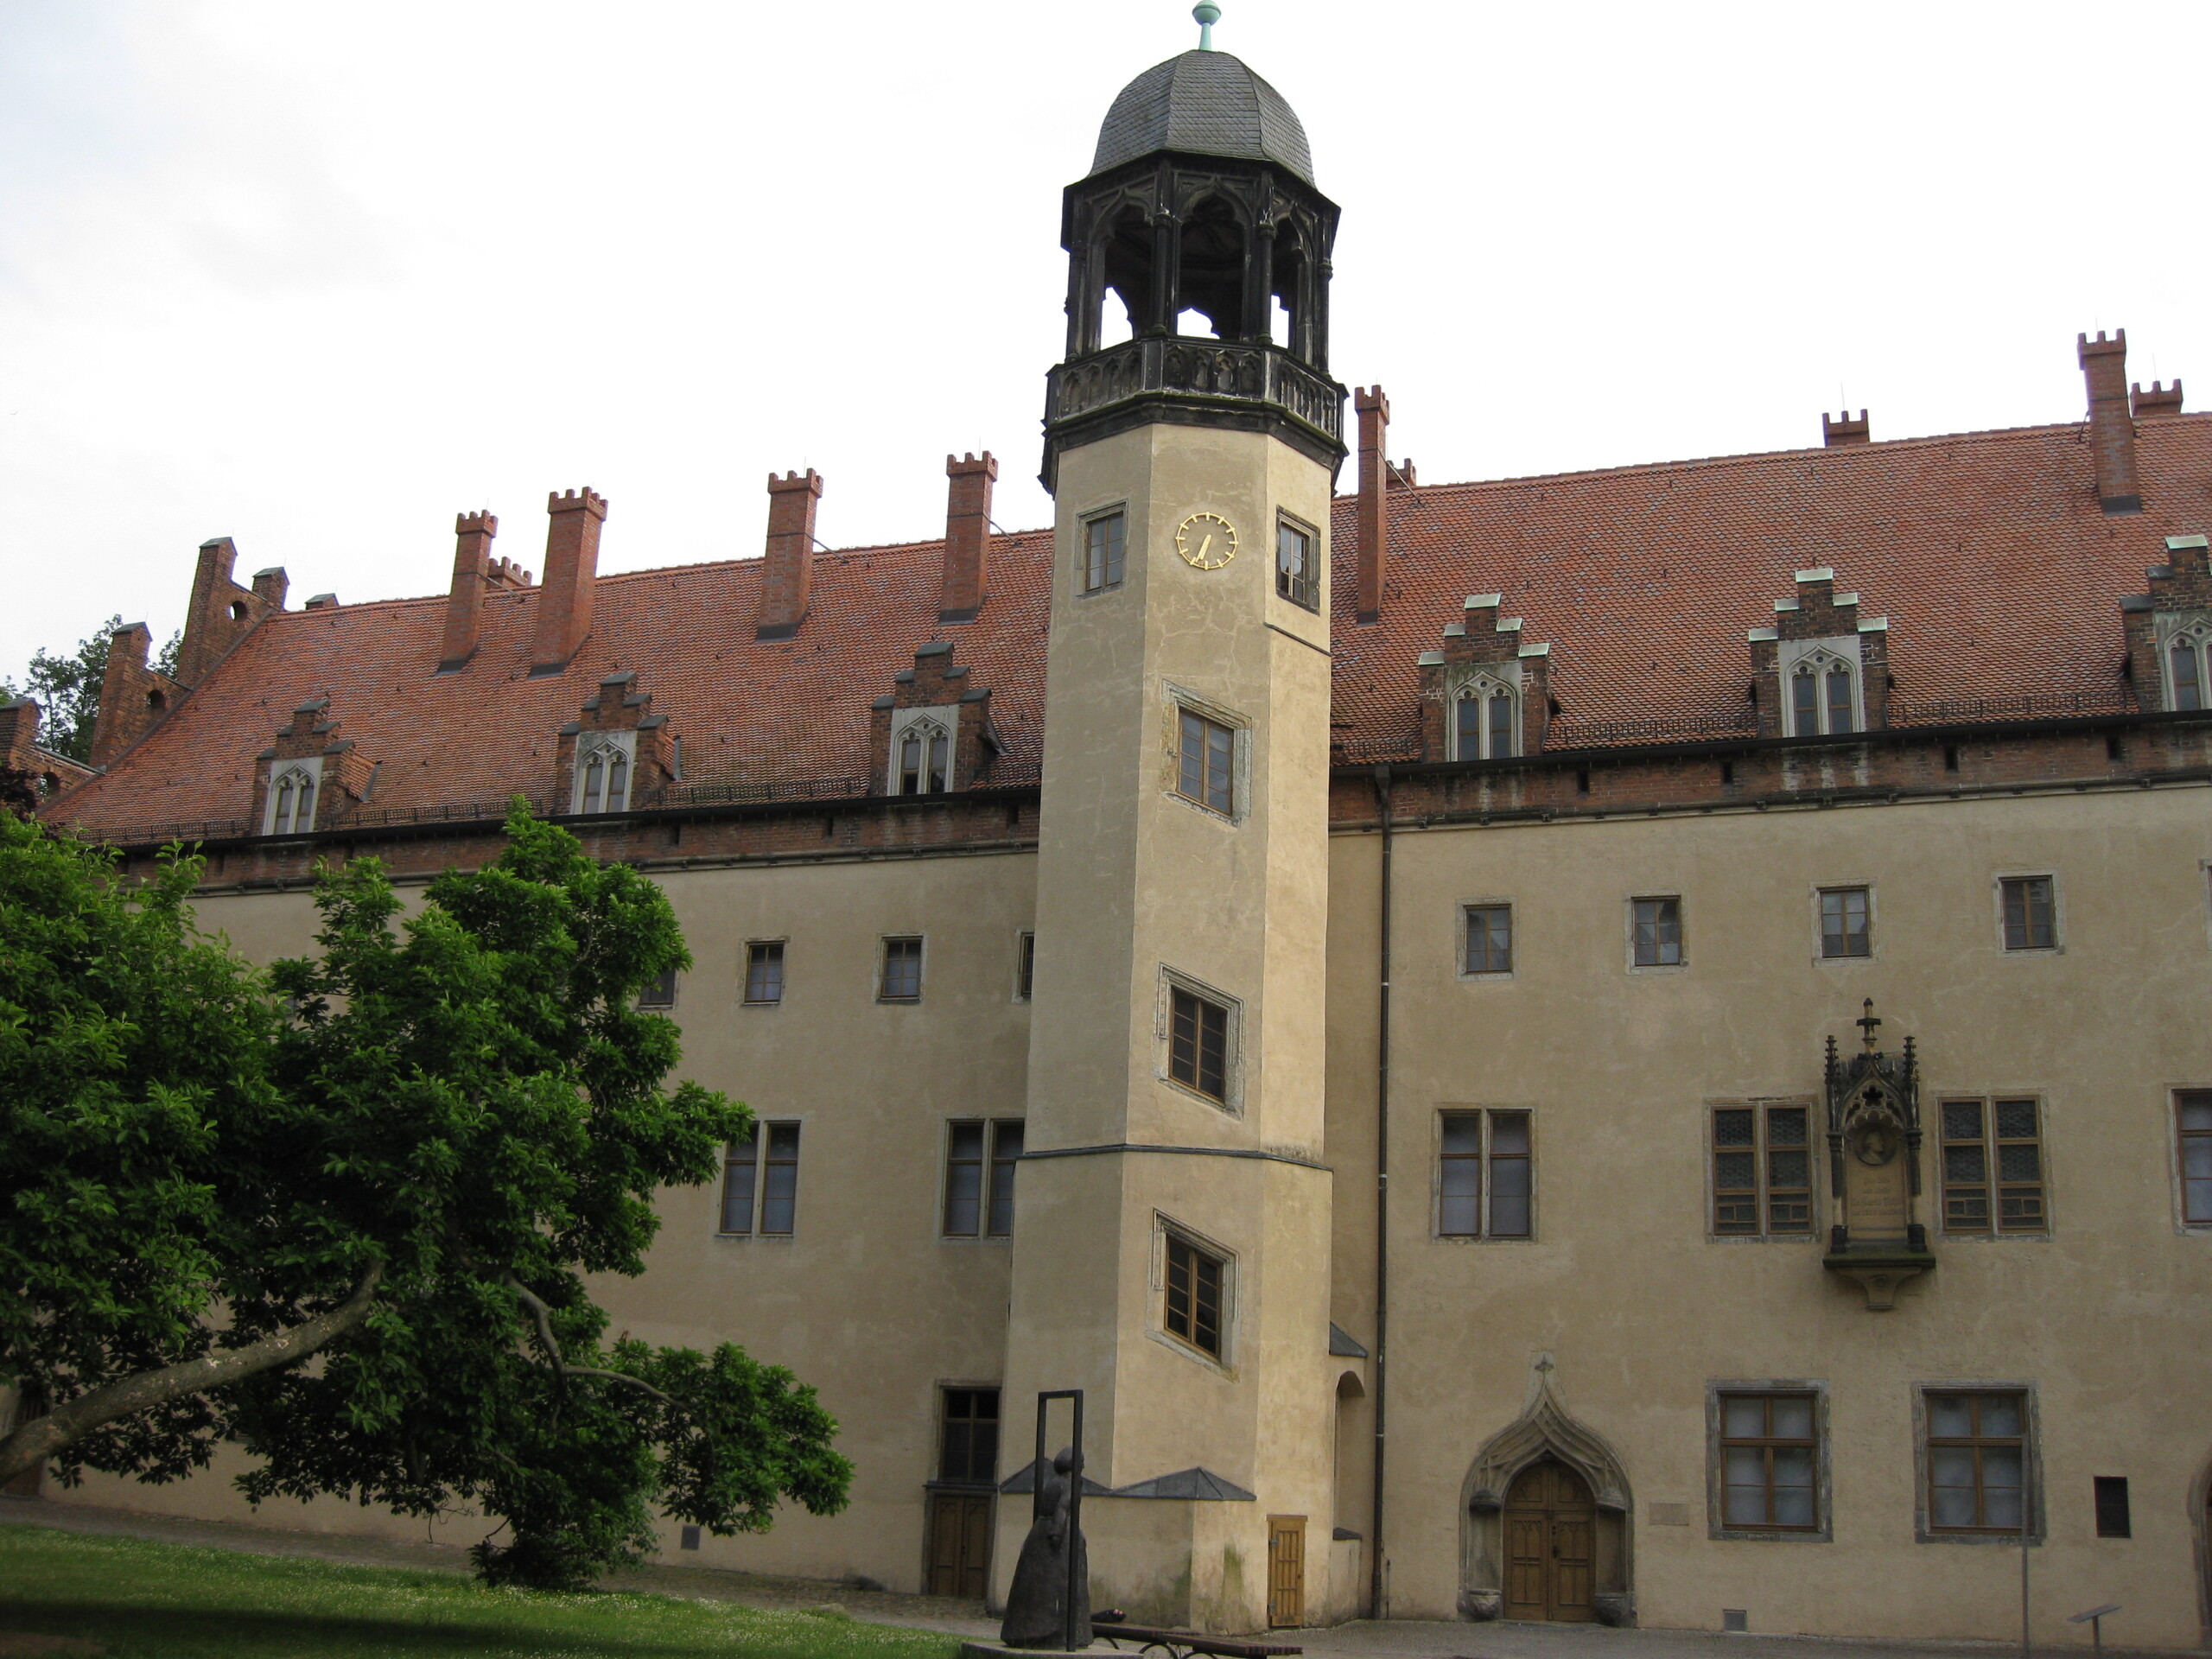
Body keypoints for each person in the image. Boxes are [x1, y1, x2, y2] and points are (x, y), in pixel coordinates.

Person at [1000, 1446, 1091, 1648]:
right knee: (1059, 1587)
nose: (1084, 1465)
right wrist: (1057, 1534)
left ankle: (1027, 1631)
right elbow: (1062, 1508)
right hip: (1057, 1536)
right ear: (1074, 1464)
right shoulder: (1070, 1483)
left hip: (1039, 1533)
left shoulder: (1053, 1482)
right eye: (1081, 1461)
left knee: (1034, 1587)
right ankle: (1057, 1634)